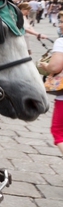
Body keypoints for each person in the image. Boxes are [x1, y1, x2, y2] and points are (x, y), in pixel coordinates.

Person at [38, 11, 63, 155]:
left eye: (62, 21)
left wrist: (44, 66)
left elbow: (55, 67)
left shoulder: (61, 42)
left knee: (58, 131)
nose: (60, 24)